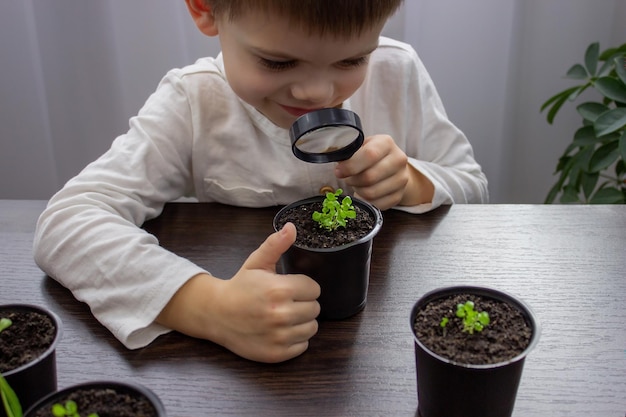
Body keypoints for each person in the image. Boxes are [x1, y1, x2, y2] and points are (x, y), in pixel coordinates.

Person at [33, 0, 488, 363]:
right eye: (276, 62)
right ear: (205, 8)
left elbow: (472, 184)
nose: (317, 92)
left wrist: (412, 181)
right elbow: (67, 222)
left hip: (380, 345)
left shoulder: (398, 71)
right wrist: (208, 306)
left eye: (352, 59)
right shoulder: (193, 103)